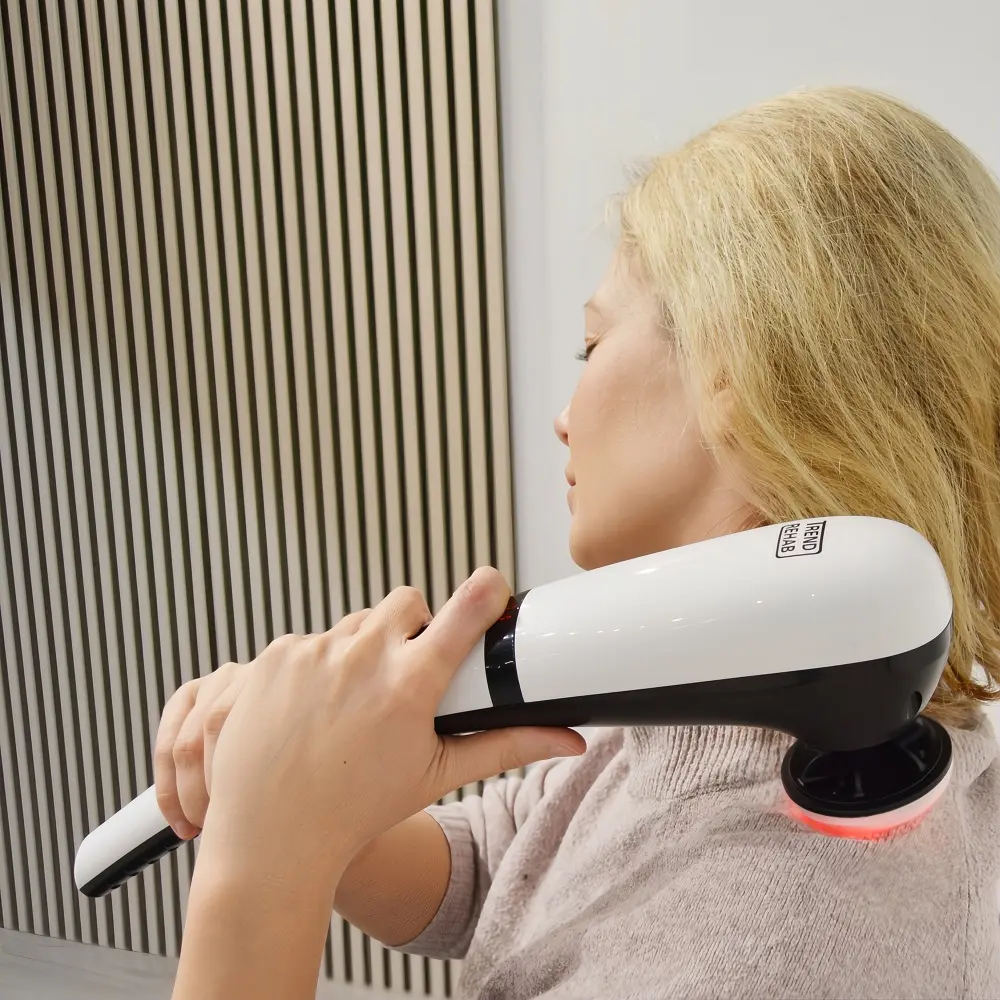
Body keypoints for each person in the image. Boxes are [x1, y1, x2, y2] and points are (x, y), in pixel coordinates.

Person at [166, 86, 1000, 999]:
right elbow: (508, 867)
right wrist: (309, 789)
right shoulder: (744, 697)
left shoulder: (765, 949)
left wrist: (260, 867)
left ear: (737, 374)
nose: (563, 419)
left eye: (590, 347)